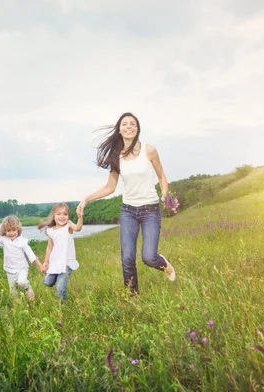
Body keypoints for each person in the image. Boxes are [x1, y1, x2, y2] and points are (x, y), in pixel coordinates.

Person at [76, 112, 176, 294]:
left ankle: (164, 265)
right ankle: (133, 297)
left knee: (148, 257)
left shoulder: (149, 150)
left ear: (137, 129)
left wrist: (164, 194)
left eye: (133, 124)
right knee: (127, 258)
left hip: (150, 210)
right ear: (119, 130)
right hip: (128, 210)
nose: (129, 126)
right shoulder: (117, 156)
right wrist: (86, 198)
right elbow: (109, 187)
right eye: (125, 124)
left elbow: (162, 176)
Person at [0, 215, 43, 301]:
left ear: (18, 229)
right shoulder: (4, 239)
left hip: (22, 268)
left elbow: (31, 255)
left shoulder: (22, 241)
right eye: (8, 231)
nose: (11, 233)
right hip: (9, 270)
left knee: (22, 282)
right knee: (13, 292)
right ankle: (17, 307)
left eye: (14, 230)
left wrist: (40, 266)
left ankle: (28, 287)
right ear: (5, 231)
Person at [37, 203, 83, 301]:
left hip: (67, 263)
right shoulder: (50, 230)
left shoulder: (68, 225)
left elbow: (78, 228)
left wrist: (80, 217)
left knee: (60, 287)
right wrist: (46, 262)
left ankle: (63, 307)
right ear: (54, 216)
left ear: (68, 216)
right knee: (47, 282)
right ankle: (54, 277)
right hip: (55, 262)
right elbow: (49, 247)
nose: (62, 217)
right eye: (59, 214)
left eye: (65, 214)